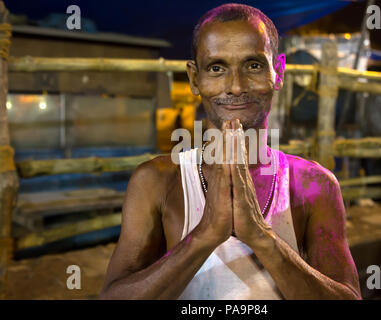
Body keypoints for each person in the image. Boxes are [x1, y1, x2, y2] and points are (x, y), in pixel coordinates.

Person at [99, 3, 361, 300]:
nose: (235, 87)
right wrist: (205, 236)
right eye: (217, 68)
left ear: (278, 72)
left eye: (253, 65)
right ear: (194, 79)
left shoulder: (314, 185)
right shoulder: (157, 182)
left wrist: (262, 238)